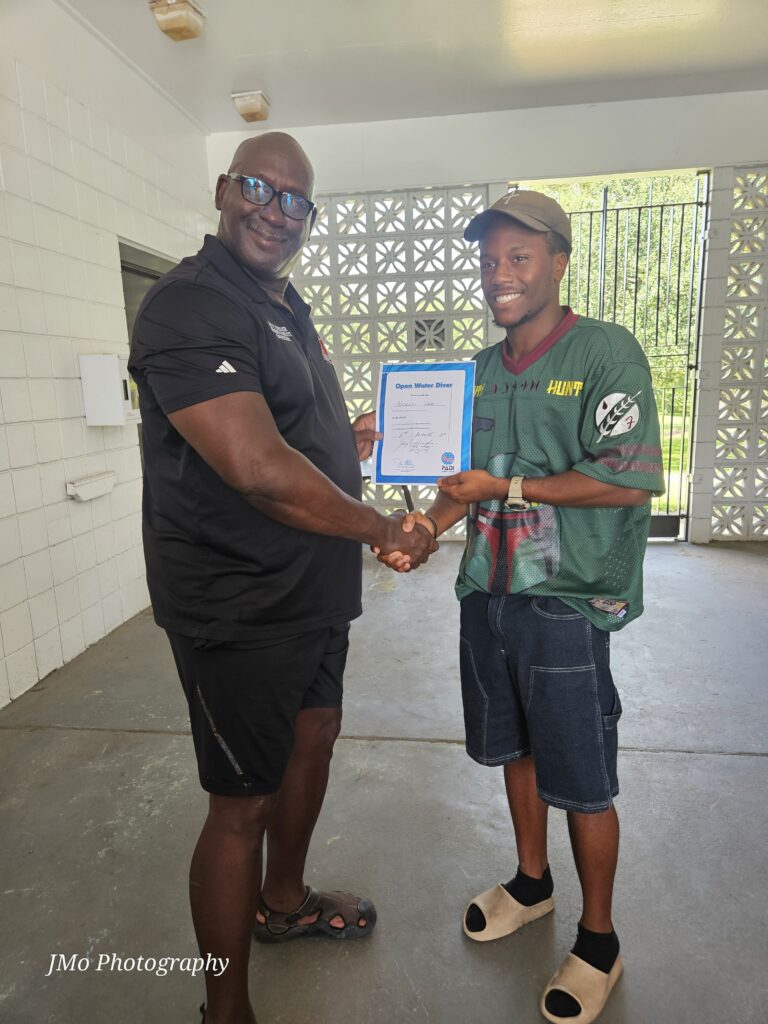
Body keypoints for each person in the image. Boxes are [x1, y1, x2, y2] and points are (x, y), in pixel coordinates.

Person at [128, 132, 435, 1024]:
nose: (275, 209)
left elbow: (299, 428)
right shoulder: (188, 304)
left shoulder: (285, 306)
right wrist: (382, 526)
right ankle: (225, 1010)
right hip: (238, 603)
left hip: (310, 595)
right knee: (240, 803)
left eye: (295, 199)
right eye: (260, 188)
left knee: (315, 737)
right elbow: (258, 465)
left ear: (310, 217)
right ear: (226, 190)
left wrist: (364, 436)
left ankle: (285, 903)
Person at [379, 190, 664, 1023]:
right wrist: (426, 529)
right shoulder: (473, 371)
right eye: (489, 260)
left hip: (566, 604)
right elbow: (456, 487)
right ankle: (533, 882)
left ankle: (600, 939)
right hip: (489, 598)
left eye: (519, 258)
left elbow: (627, 478)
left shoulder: (607, 353)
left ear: (559, 262)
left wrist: (505, 484)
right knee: (517, 751)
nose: (498, 275)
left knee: (583, 778)